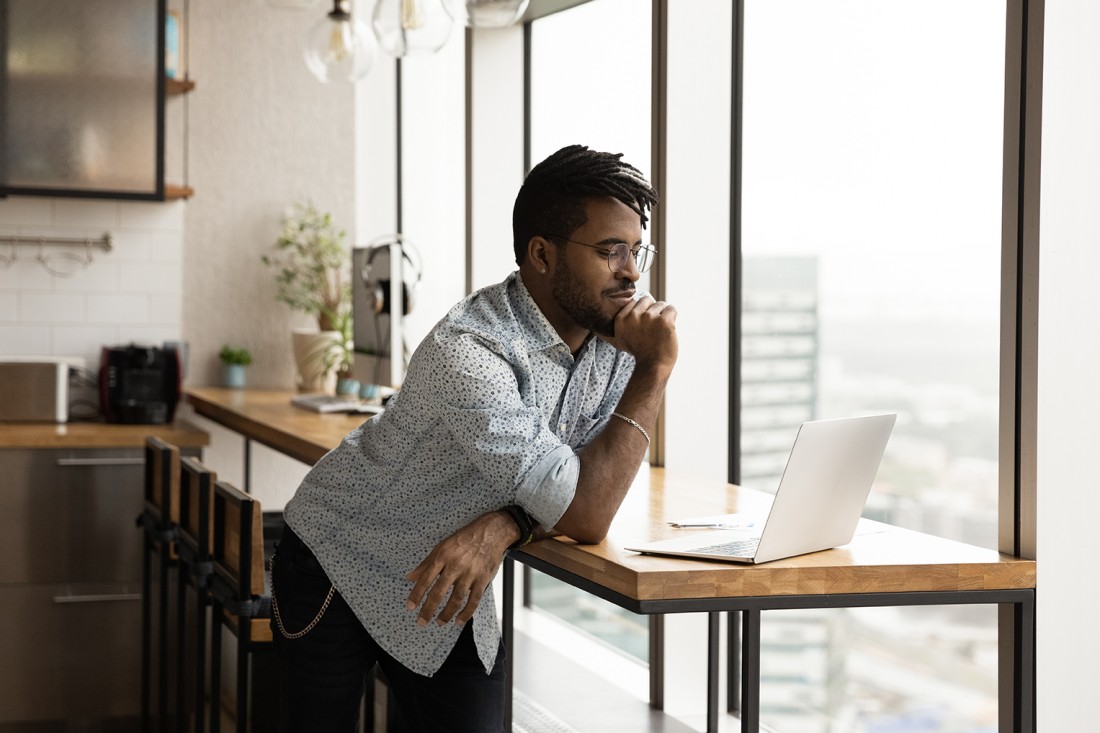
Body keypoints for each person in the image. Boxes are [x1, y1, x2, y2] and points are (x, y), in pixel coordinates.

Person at [271, 144, 678, 732]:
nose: (632, 271)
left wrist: (506, 524)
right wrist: (656, 371)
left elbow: (594, 483)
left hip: (447, 579)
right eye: (610, 250)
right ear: (542, 253)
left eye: (636, 250)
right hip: (342, 555)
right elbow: (585, 511)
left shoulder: (615, 348)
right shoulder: (468, 348)